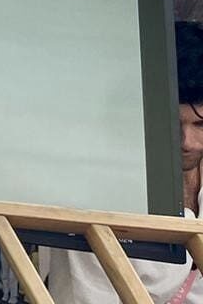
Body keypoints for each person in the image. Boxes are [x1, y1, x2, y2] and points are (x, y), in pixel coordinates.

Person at [45, 21, 203, 304]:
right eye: (171, 124)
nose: (187, 142)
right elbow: (84, 297)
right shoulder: (97, 196)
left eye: (201, 125)